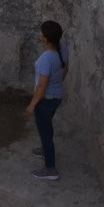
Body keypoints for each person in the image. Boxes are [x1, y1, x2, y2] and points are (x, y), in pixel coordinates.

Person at [26, 20, 68, 181]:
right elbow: (66, 69)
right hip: (56, 96)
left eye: (42, 33)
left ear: (45, 38)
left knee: (45, 133)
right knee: (46, 127)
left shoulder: (46, 58)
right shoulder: (62, 48)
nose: (40, 35)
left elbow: (42, 85)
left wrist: (32, 104)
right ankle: (45, 149)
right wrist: (57, 84)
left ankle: (50, 169)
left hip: (46, 99)